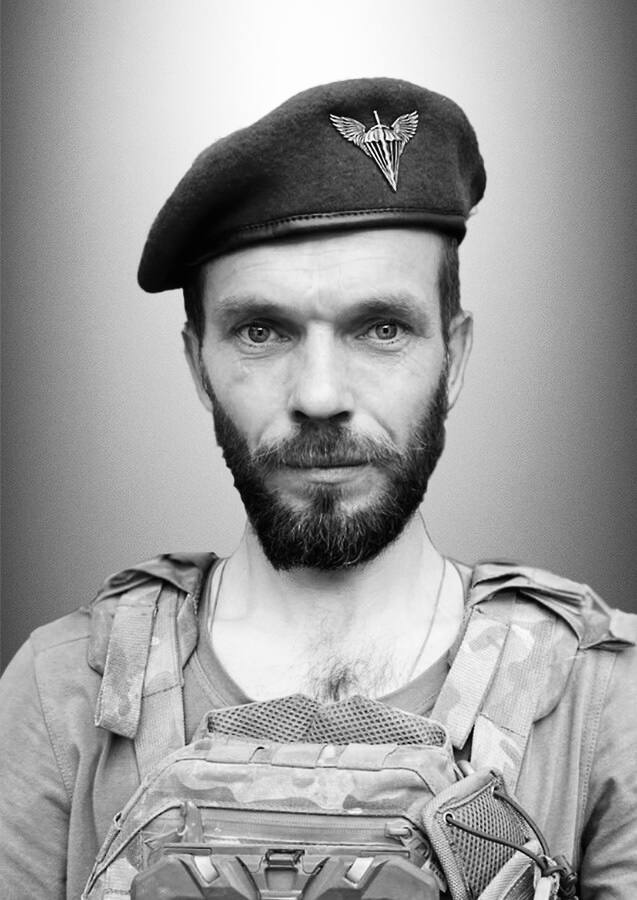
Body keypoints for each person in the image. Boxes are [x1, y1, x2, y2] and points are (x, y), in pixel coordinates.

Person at [0, 77, 635, 900]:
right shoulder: (62, 692)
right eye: (262, 331)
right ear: (198, 364)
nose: (320, 394)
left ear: (454, 358)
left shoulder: (602, 701)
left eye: (381, 329)